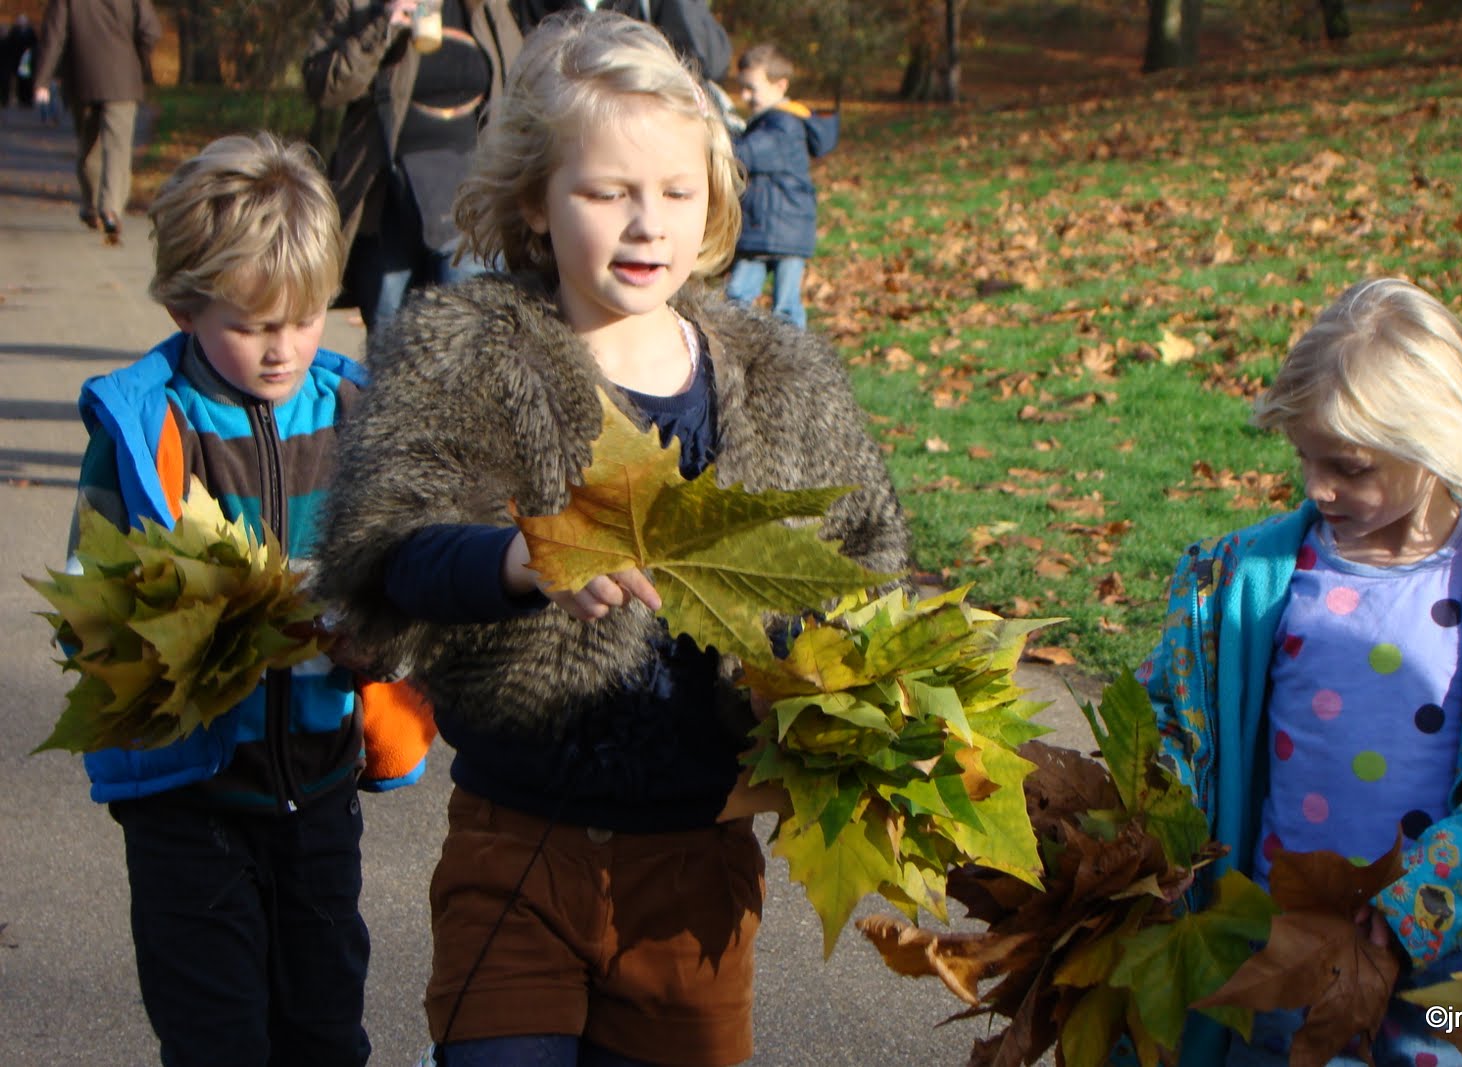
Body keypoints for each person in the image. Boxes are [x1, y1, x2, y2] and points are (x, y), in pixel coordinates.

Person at [312, 12, 910, 1066]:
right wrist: (515, 558)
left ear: (715, 202)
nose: (647, 226)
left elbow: (862, 568)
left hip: (695, 866)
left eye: (676, 194)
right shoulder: (469, 353)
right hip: (518, 838)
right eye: (606, 193)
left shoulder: (781, 377)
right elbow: (392, 544)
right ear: (535, 205)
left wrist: (844, 694)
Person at [1136, 278, 1462, 1066]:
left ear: (1434, 447)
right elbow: (1179, 724)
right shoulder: (1248, 583)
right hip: (1277, 958)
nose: (1318, 488)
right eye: (1306, 459)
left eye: (1347, 468)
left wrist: (1422, 903)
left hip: (1447, 974)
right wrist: (1149, 827)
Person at [64, 131, 434, 1066]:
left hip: (319, 783)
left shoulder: (354, 412)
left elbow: (409, 579)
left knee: (322, 1030)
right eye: (252, 324)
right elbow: (89, 613)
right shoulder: (147, 425)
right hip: (187, 800)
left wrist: (382, 638)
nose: (283, 349)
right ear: (186, 303)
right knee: (216, 1037)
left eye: (305, 318)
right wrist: (178, 637)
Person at [302, 0, 521, 332]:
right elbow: (324, 85)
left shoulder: (485, 6)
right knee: (390, 336)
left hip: (472, 197)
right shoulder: (360, 6)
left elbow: (518, 77)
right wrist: (382, 28)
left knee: (468, 331)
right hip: (387, 197)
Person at [723, 43, 837, 331]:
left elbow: (748, 155)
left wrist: (720, 143)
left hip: (775, 228)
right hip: (776, 228)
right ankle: (740, 353)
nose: (745, 96)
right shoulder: (771, 122)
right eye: (742, 88)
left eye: (752, 88)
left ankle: (789, 364)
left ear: (780, 85)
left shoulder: (783, 124)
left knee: (757, 301)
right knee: (743, 298)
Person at [32, 0, 161, 241]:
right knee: (118, 149)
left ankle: (92, 206)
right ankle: (111, 209)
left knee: (88, 146)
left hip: (83, 80)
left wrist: (42, 80)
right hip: (123, 80)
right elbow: (150, 31)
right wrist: (137, 61)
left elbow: (54, 36)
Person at [511, 0, 729, 82]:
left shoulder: (652, 5)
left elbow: (711, 59)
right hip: (558, 153)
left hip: (645, 148)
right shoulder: (522, 6)